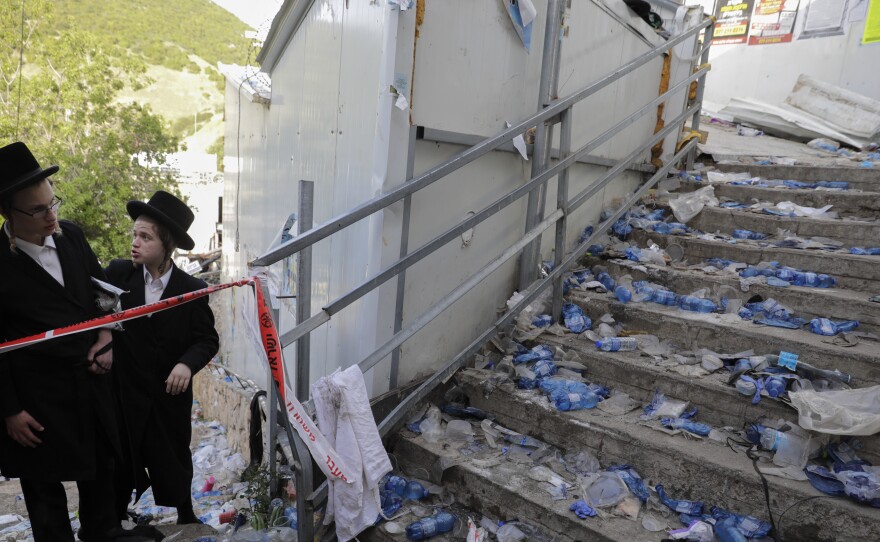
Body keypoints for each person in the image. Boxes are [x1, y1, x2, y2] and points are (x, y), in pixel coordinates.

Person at [0, 141, 121, 541]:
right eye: (38, 210)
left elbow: (104, 292)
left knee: (102, 475)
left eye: (53, 203)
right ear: (9, 213)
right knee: (44, 493)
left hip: (89, 382)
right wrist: (9, 411)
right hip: (36, 398)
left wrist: (105, 335)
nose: (51, 216)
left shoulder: (71, 236)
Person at [105, 191, 219, 525]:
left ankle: (185, 512)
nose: (135, 243)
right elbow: (97, 316)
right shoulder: (117, 275)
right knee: (122, 455)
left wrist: (186, 363)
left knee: (173, 453)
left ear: (166, 243)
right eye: (134, 235)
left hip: (168, 394)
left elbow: (207, 338)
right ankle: (114, 514)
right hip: (125, 390)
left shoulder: (191, 288)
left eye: (145, 237)